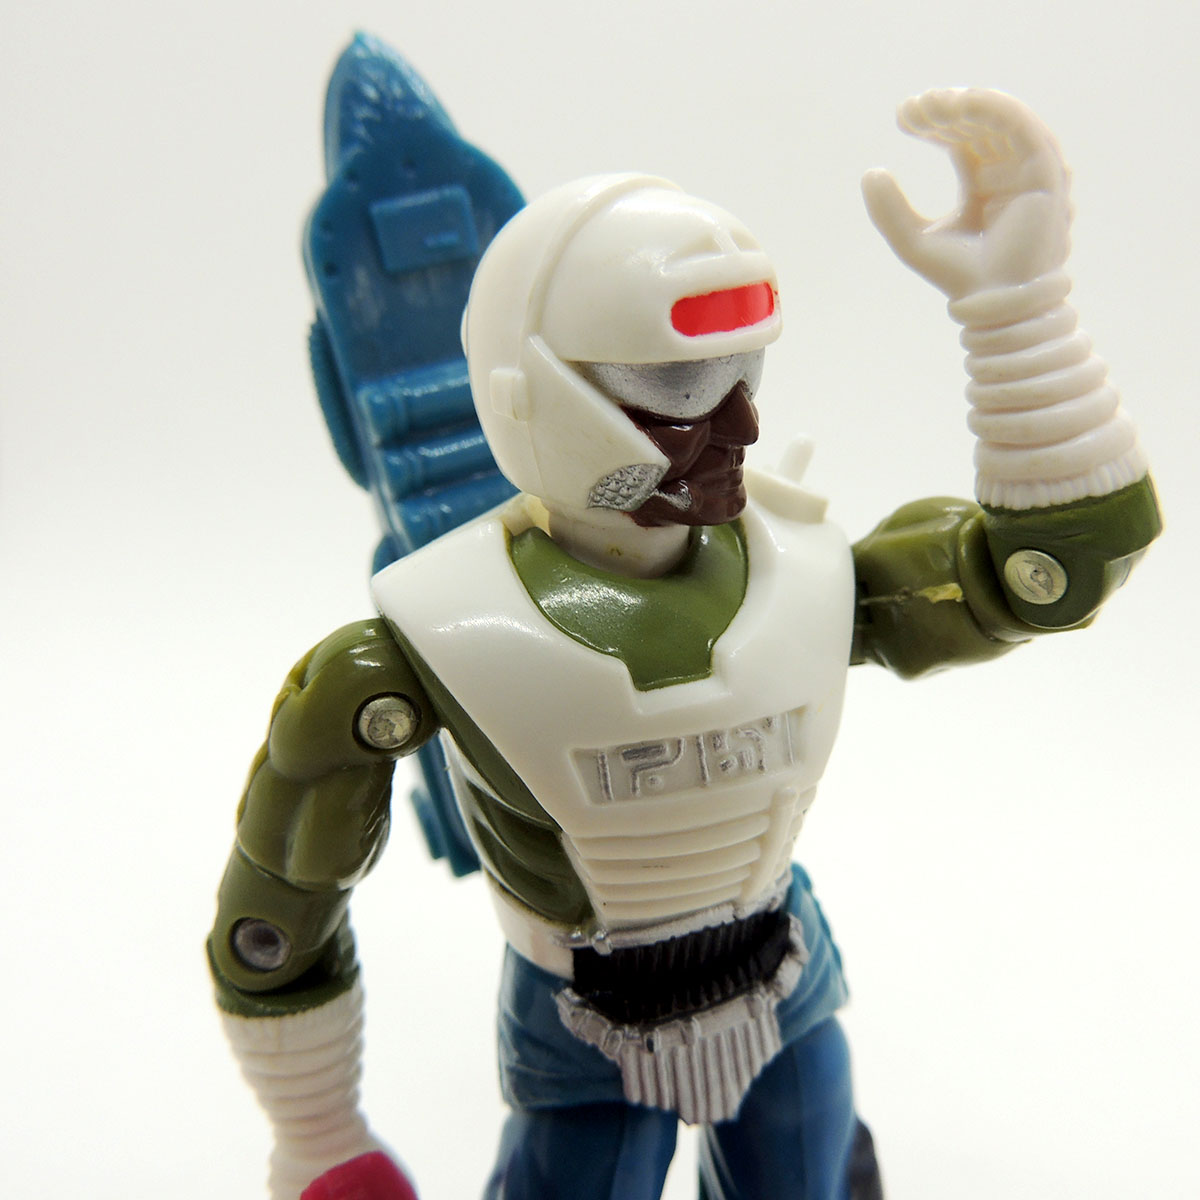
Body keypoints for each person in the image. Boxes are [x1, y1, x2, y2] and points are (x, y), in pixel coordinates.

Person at [209, 86, 1160, 1200]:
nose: (740, 425)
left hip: (783, 977)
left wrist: (1018, 314)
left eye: (746, 372)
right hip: (582, 1022)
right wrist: (319, 1135)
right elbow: (277, 921)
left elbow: (1043, 573)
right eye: (678, 384)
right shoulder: (424, 644)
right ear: (538, 391)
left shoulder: (806, 570)